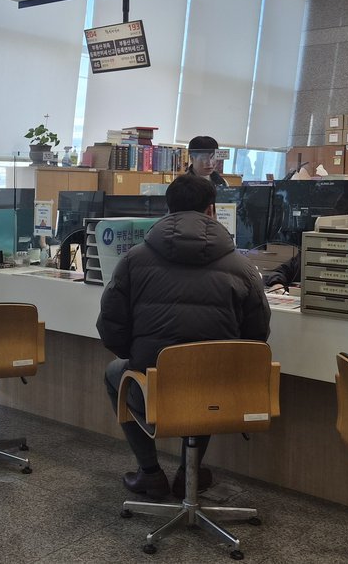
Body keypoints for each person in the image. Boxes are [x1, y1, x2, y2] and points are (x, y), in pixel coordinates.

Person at [97, 173, 271, 499]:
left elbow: (110, 326)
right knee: (208, 374)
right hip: (222, 392)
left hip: (153, 388)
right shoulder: (243, 267)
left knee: (114, 374)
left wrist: (135, 357)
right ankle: (189, 473)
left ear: (168, 209)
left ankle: (150, 473)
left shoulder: (134, 259)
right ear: (211, 210)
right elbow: (257, 336)